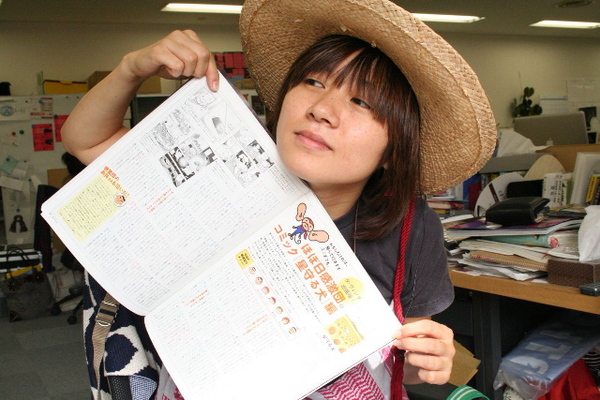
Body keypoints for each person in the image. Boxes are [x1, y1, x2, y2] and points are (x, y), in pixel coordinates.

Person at [62, 0, 497, 398]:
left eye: (361, 101)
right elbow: (87, 141)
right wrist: (130, 69)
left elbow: (410, 366)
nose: (321, 108)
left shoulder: (410, 227)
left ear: (392, 150)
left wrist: (430, 362)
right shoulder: (223, 172)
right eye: (313, 81)